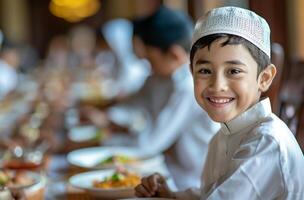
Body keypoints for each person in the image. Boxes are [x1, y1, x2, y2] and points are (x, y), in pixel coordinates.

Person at [135, 6, 304, 199]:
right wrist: (171, 195)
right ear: (192, 73)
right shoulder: (222, 136)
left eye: (233, 71)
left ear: (264, 78)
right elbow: (212, 193)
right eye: (205, 71)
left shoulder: (266, 143)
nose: (218, 85)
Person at [97, 5, 219, 189]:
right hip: (167, 168)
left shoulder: (188, 87)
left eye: (151, 60)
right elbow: (134, 104)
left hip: (192, 183)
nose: (148, 66)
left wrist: (105, 140)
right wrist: (106, 117)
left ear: (174, 54)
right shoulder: (161, 77)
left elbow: (149, 144)